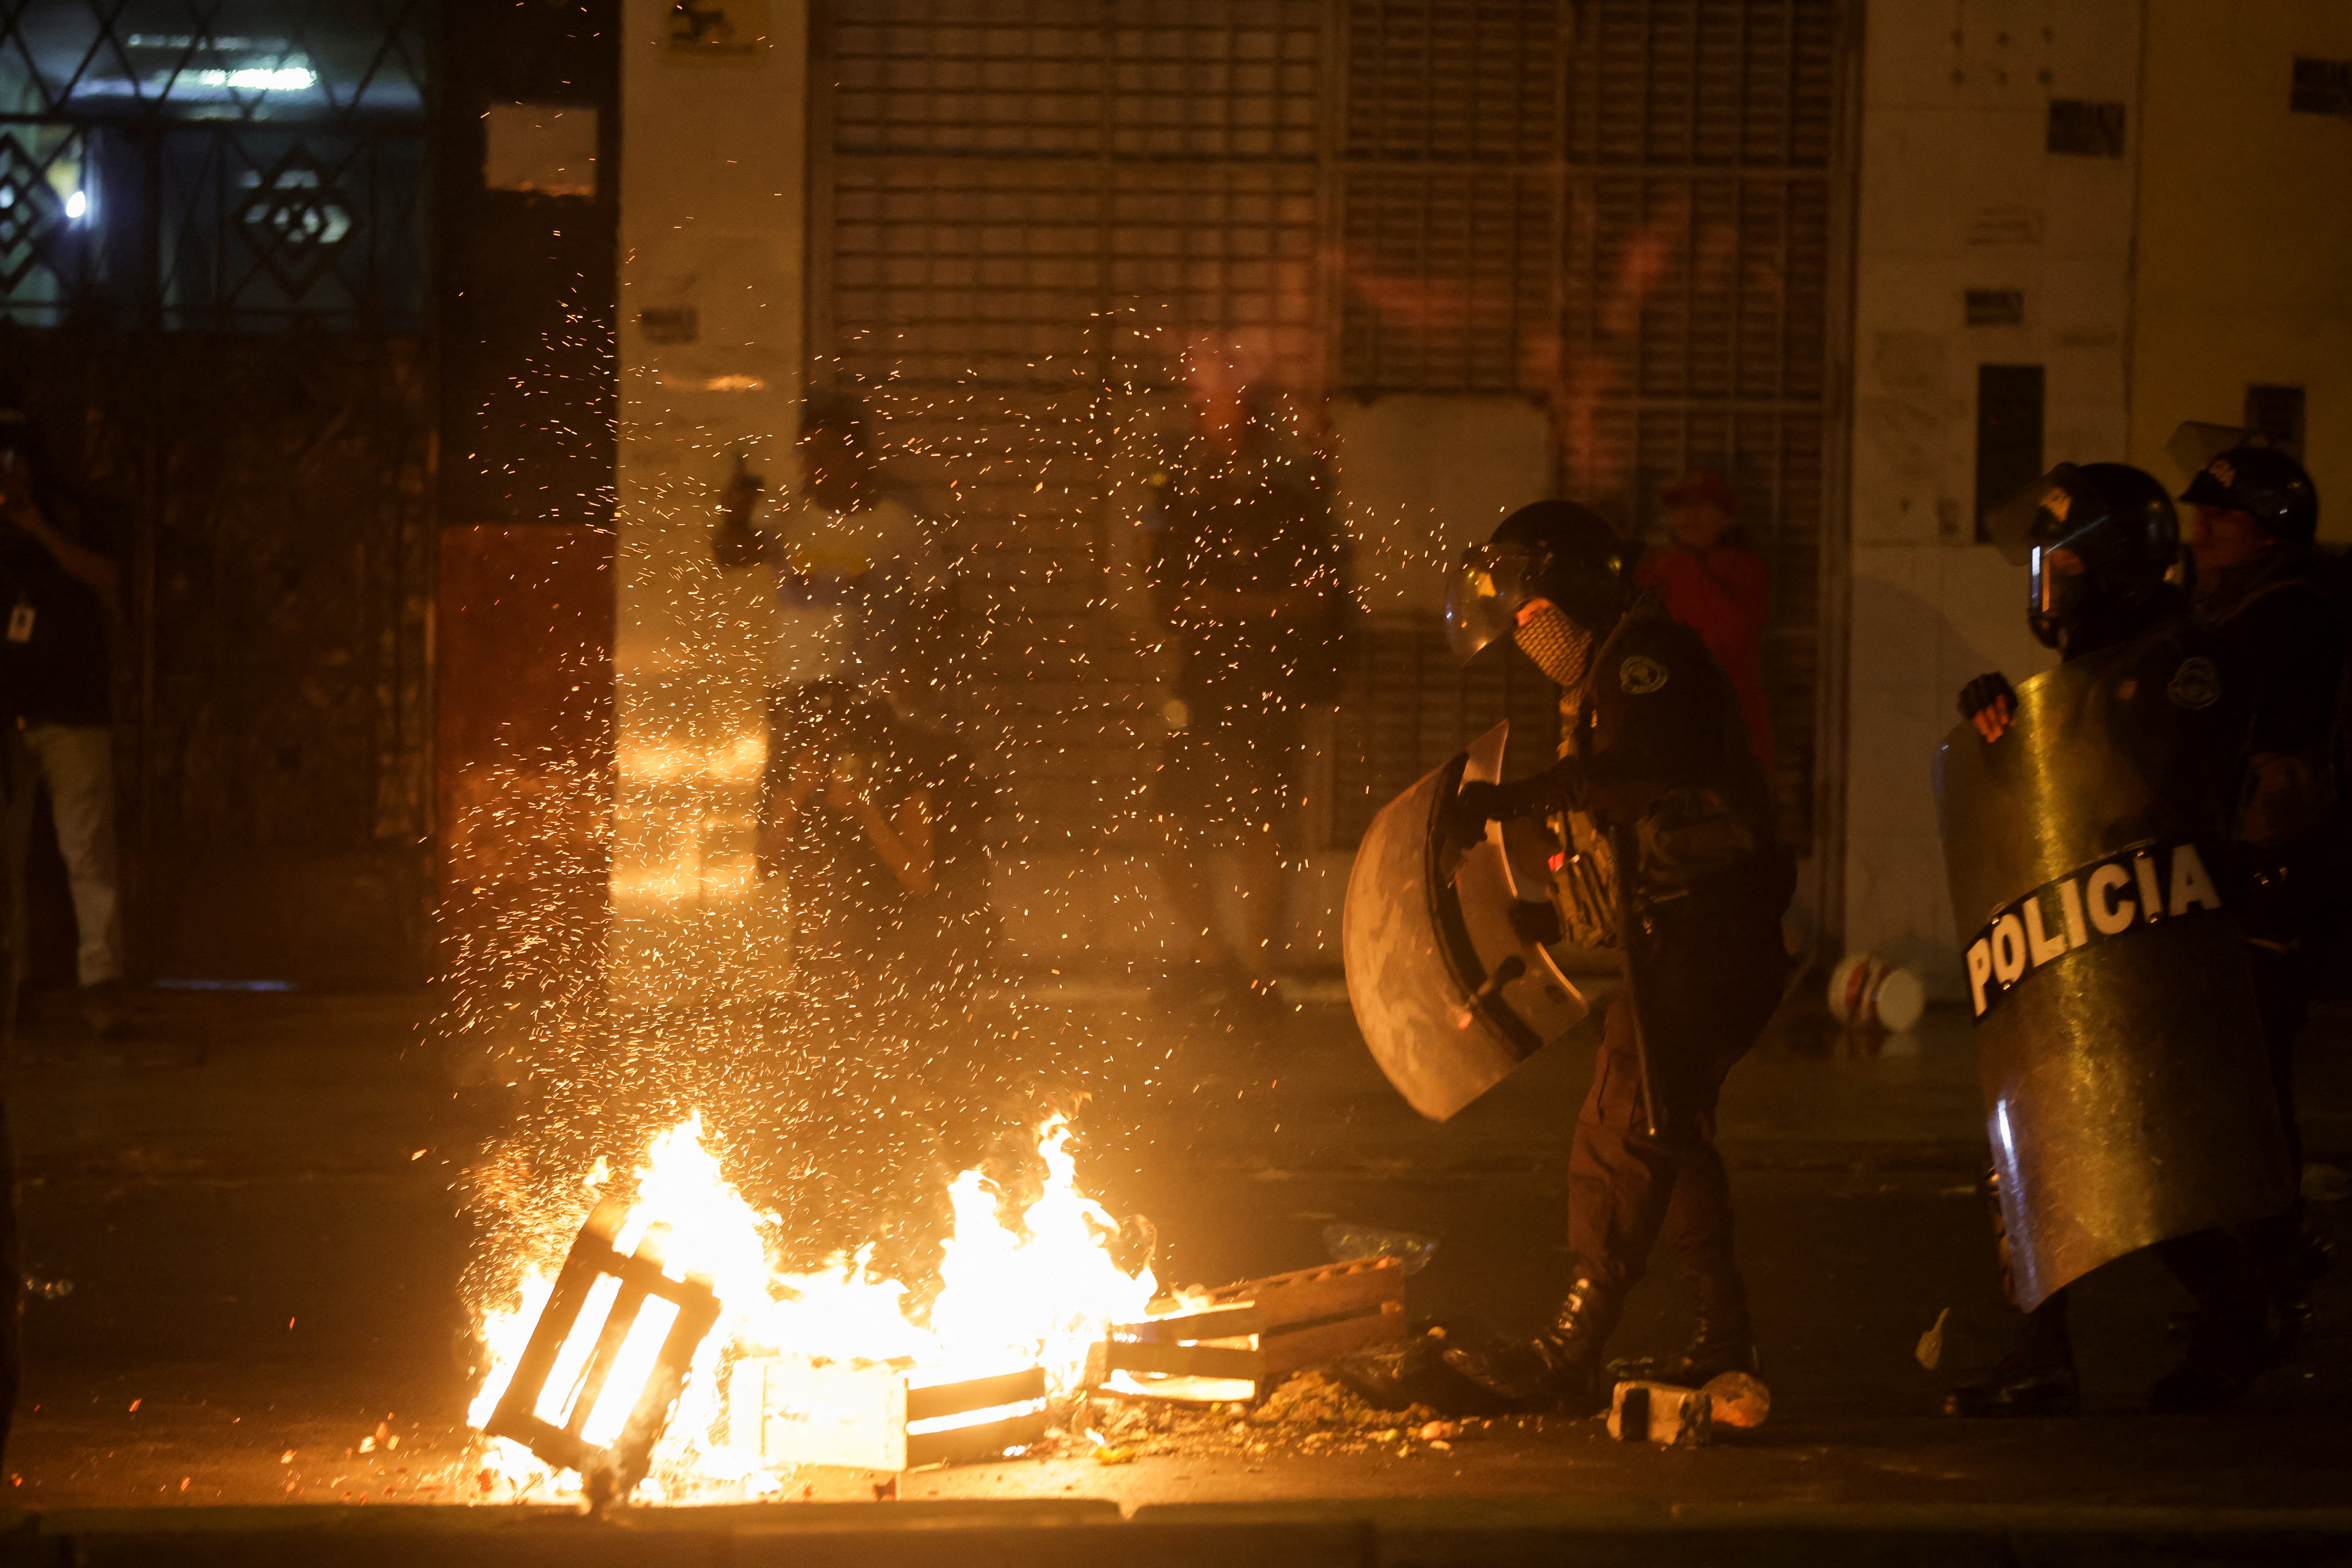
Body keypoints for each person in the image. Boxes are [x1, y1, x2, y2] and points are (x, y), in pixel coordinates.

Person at [1435, 501, 1794, 1413]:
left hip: (1704, 937)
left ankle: (1569, 1349)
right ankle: (1722, 1341)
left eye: (1529, 610)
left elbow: (1630, 779)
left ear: (1572, 585)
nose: (1525, 633)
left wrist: (1501, 802)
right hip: (1687, 933)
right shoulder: (1602, 679)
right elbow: (1616, 848)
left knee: (1622, 1126)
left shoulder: (1647, 666)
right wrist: (1537, 920)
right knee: (1670, 1130)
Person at [1944, 461, 2282, 1416]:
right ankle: (2043, 1349)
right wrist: (1997, 726)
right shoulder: (2084, 676)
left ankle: (2236, 1314)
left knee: (2147, 1156)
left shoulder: (2186, 664)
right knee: (2038, 1149)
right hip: (2081, 945)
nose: (2048, 594)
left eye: (2064, 573)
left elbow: (2156, 790)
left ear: (2116, 573)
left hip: (2162, 947)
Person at [2177, 444, 2341, 1331]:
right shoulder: (2250, 605)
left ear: (2268, 528)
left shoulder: (2280, 617)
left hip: (2280, 871)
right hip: (2259, 864)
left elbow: (2191, 705)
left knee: (2246, 1067)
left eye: (2220, 517)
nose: (2199, 531)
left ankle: (2269, 1255)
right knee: (2243, 1066)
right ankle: (2269, 1246)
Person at [1143, 390, 1341, 1011]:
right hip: (1200, 691)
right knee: (1169, 826)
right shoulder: (1191, 510)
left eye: (1231, 435)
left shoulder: (1288, 510)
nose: (1219, 449)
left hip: (1267, 690)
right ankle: (1215, 962)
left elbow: (1317, 599)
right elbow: (1165, 602)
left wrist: (1235, 608)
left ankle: (1256, 975)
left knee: (1258, 829)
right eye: (1211, 434)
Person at [0, 408, 127, 1038]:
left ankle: (100, 983)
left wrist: (39, 527)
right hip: (8, 718)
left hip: (72, 713)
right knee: (7, 858)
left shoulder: (71, 516)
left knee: (86, 848)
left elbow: (107, 577)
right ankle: (12, 983)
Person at [757, 680, 996, 1014]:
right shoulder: (797, 778)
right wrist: (796, 795)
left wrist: (868, 813)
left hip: (915, 947)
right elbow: (767, 866)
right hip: (831, 949)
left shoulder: (902, 776)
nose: (832, 763)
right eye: (818, 747)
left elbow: (921, 882)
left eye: (839, 749)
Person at [713, 393, 949, 729]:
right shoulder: (786, 520)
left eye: (827, 454)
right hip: (797, 698)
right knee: (794, 783)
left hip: (871, 699)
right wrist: (734, 516)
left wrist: (918, 670)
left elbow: (940, 600)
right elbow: (730, 556)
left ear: (858, 457)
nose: (814, 465)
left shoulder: (898, 526)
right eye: (807, 454)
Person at [1636, 470, 1773, 770]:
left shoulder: (1741, 567)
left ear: (1727, 517)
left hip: (1728, 736)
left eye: (1699, 506)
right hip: (1674, 731)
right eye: (1680, 508)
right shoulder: (1661, 568)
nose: (1687, 517)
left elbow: (1729, 628)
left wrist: (1678, 568)